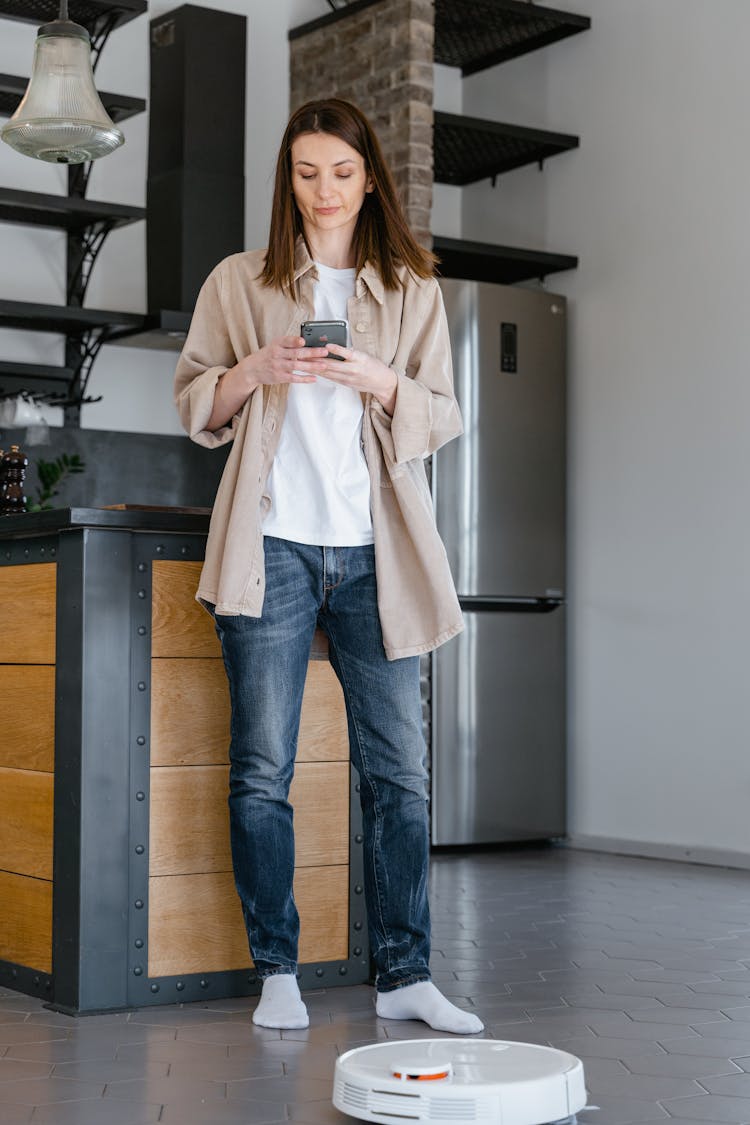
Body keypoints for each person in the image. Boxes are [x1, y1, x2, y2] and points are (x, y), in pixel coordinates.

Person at [174, 97, 483, 1036]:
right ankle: (278, 972)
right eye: (307, 174)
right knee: (261, 766)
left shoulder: (411, 288)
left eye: (341, 174)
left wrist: (379, 379)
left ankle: (406, 973)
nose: (324, 192)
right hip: (272, 545)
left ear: (369, 178)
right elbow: (194, 398)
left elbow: (444, 413)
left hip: (375, 549)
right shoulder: (242, 279)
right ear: (288, 178)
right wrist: (253, 371)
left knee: (400, 774)